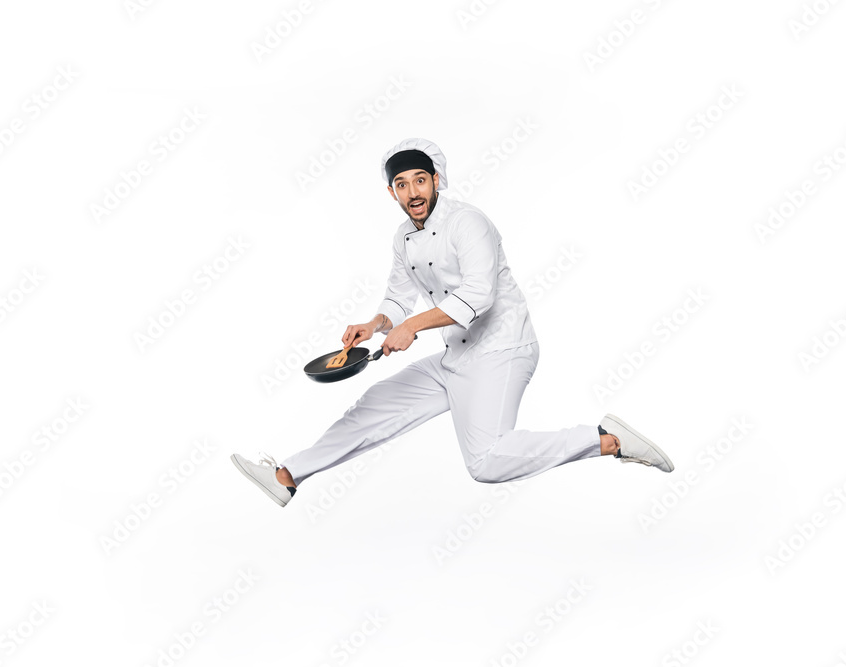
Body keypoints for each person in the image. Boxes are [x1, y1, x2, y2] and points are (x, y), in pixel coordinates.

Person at [231, 137, 674, 507]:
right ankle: (287, 476)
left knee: (485, 463)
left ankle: (607, 439)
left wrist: (413, 328)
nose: (413, 192)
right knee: (372, 407)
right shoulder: (403, 237)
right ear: (392, 193)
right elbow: (399, 296)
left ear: (435, 180)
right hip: (455, 357)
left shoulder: (468, 223)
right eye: (401, 185)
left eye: (419, 180)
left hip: (503, 350)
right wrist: (377, 323)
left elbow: (479, 295)